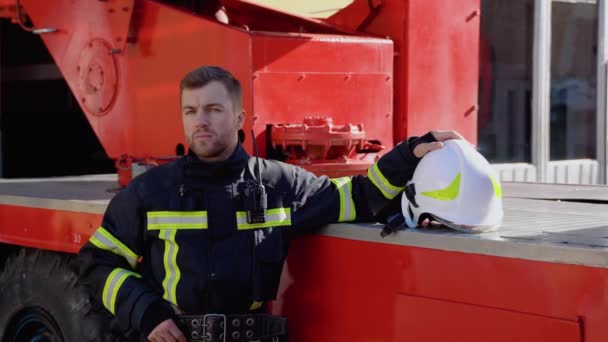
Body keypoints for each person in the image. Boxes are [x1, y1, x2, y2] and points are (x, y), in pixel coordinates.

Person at [78, 65, 463, 342]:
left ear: (240, 117)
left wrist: (408, 155)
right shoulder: (152, 191)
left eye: (213, 109)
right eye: (191, 111)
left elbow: (356, 198)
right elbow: (99, 262)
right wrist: (146, 315)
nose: (201, 121)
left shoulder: (280, 183)